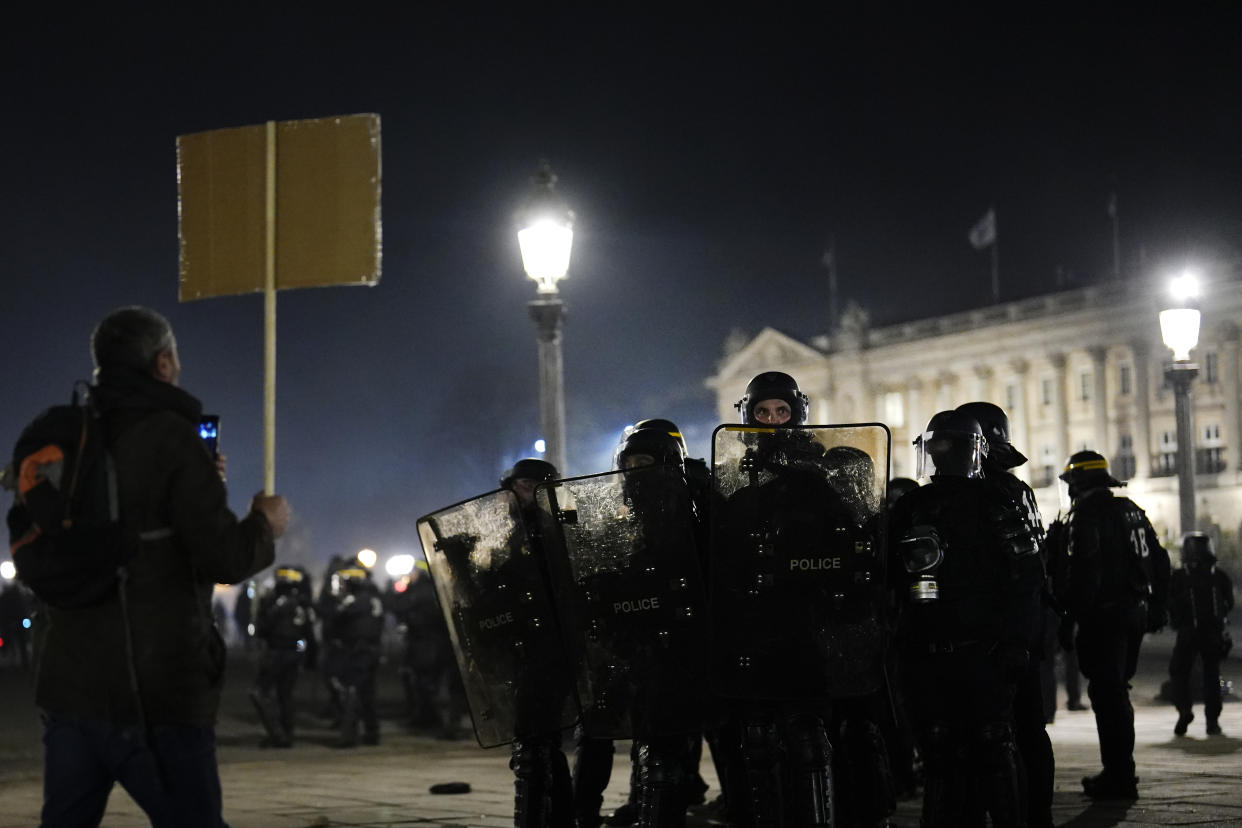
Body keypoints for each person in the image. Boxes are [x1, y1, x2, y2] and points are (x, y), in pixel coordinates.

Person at [33, 305, 289, 827]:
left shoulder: (69, 440)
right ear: (164, 362)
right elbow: (224, 555)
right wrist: (264, 524)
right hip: (156, 687)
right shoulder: (173, 437)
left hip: (69, 687)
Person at [714, 371, 892, 827]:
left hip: (818, 622)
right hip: (758, 624)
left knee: (813, 738)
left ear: (798, 415)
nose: (772, 421)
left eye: (781, 412)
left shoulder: (829, 468)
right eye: (762, 413)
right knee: (756, 741)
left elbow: (861, 538)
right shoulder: (734, 477)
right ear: (748, 418)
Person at [889, 410, 1042, 828]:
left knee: (988, 745)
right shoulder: (914, 506)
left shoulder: (989, 501)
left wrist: (1016, 642)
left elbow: (1025, 578)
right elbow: (889, 573)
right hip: (940, 645)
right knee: (946, 749)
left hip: (976, 646)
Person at [1049, 450, 1170, 800]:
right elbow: (1160, 560)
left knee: (1108, 693)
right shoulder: (1131, 510)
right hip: (1134, 611)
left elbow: (1085, 574)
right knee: (1117, 690)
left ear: (1078, 484)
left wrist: (1068, 620)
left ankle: (1119, 776)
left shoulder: (1086, 517)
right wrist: (1159, 606)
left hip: (1103, 616)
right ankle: (1120, 772)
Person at [956, 401, 1053, 828]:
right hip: (1022, 630)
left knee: (1000, 734)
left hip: (995, 633)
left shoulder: (989, 494)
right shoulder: (1017, 490)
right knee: (1027, 731)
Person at [1168, 532, 1234, 736]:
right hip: (1213, 633)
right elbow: (1229, 603)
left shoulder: (1179, 577)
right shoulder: (1219, 575)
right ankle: (1212, 721)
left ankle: (1184, 710)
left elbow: (1170, 603)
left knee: (1179, 672)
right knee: (1212, 676)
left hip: (1188, 632)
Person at [321, 559, 385, 747]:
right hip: (371, 650)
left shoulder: (356, 601)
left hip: (358, 651)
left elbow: (335, 620)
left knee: (352, 691)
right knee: (367, 693)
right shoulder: (373, 598)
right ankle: (372, 732)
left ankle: (349, 736)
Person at [250, 564, 316, 747]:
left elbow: (263, 628)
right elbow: (309, 633)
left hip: (277, 652)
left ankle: (277, 733)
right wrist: (311, 659)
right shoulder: (303, 603)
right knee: (285, 695)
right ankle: (288, 733)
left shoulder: (277, 602)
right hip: (295, 653)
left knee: (260, 692)